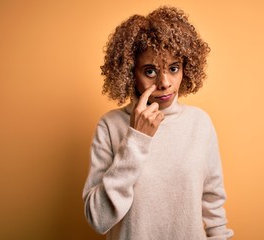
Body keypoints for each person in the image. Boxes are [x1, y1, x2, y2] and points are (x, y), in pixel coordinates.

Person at [83, 6, 234, 240]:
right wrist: (136, 139)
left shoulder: (199, 123)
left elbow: (213, 206)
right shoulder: (110, 126)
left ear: (186, 68)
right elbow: (98, 219)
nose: (165, 82)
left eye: (173, 68)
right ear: (129, 72)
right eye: (150, 71)